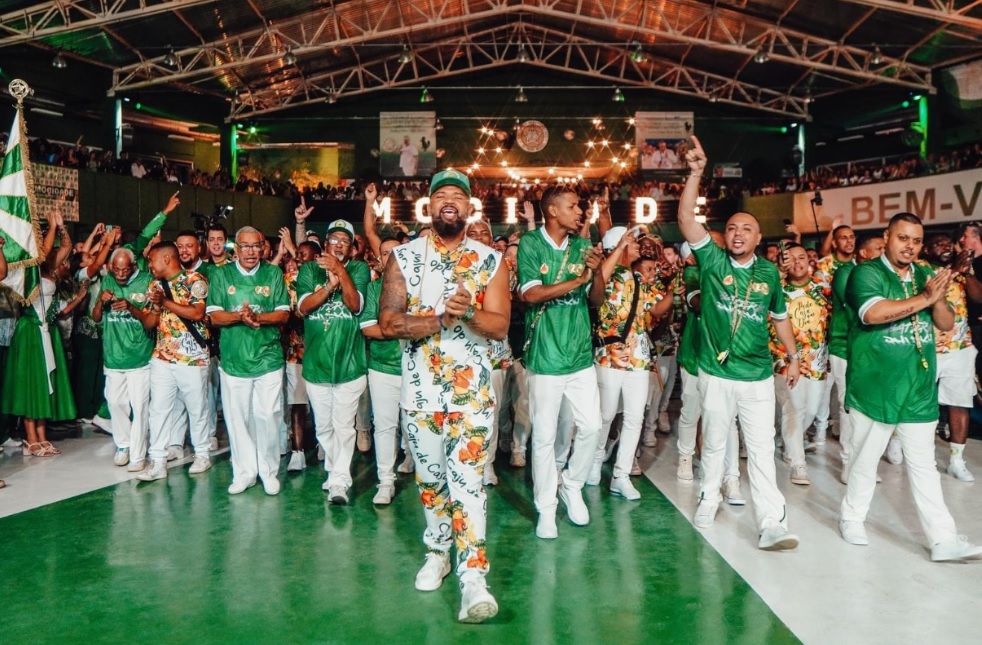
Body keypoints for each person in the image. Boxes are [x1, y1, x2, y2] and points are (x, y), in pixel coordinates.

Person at [379, 168, 509, 623]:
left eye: (458, 195)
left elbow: (500, 325)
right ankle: (437, 552)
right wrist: (441, 320)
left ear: (470, 208)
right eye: (441, 195)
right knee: (431, 485)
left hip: (471, 395)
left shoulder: (490, 260)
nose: (449, 201)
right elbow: (391, 323)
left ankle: (473, 579)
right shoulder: (404, 258)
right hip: (420, 396)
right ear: (429, 207)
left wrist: (469, 311)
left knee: (468, 486)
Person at [678, 136, 802, 551]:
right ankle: (708, 497)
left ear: (758, 236)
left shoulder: (769, 274)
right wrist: (696, 174)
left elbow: (780, 319)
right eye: (731, 228)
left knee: (762, 450)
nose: (737, 233)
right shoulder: (711, 261)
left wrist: (795, 356)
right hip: (715, 371)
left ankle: (771, 523)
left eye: (746, 228)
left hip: (758, 375)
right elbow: (685, 222)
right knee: (714, 441)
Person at [838, 212, 982, 562]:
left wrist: (939, 298)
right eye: (903, 238)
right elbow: (873, 314)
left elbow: (946, 324)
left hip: (918, 383)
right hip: (876, 384)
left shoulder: (924, 274)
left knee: (923, 464)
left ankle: (943, 539)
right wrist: (926, 298)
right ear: (887, 236)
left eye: (916, 241)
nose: (910, 246)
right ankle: (852, 517)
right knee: (865, 458)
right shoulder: (866, 273)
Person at [517, 186, 604, 539]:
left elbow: (595, 301)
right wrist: (577, 280)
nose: (580, 211)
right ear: (552, 211)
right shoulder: (531, 244)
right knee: (544, 437)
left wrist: (595, 275)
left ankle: (571, 483)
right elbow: (530, 294)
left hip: (581, 356)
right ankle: (546, 509)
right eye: (572, 206)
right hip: (546, 358)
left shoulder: (584, 247)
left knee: (592, 427)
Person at [590, 226, 672, 500]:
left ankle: (620, 475)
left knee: (634, 418)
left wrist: (675, 293)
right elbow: (596, 285)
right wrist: (616, 250)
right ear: (619, 246)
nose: (639, 247)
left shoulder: (637, 278)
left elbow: (655, 310)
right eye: (632, 243)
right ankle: (594, 460)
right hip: (608, 357)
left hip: (638, 360)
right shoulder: (605, 274)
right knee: (605, 415)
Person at [206, 227, 290, 495]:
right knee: (237, 419)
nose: (251, 252)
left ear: (264, 247)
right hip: (234, 361)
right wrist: (240, 317)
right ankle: (244, 473)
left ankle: (268, 472)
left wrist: (258, 319)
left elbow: (283, 315)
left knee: (268, 416)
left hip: (268, 359)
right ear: (236, 248)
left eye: (256, 246)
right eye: (245, 246)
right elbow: (214, 317)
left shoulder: (273, 274)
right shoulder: (221, 274)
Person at [297, 219, 370, 505]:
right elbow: (303, 307)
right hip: (316, 365)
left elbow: (355, 305)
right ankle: (334, 469)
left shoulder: (359, 269)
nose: (339, 245)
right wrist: (329, 287)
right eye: (334, 240)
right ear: (324, 245)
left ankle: (339, 481)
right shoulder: (307, 270)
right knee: (324, 428)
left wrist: (340, 272)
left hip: (350, 366)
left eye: (345, 241)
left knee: (343, 426)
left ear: (351, 249)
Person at [137, 242, 213, 482]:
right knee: (158, 409)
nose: (149, 265)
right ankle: (157, 460)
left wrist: (165, 301)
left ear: (167, 258)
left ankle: (202, 453)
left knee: (197, 407)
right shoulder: (154, 285)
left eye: (152, 260)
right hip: (162, 356)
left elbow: (198, 313)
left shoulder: (195, 280)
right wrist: (155, 307)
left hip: (192, 357)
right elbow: (149, 323)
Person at [2, 212, 76, 457]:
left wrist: (61, 226)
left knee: (45, 383)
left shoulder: (50, 268)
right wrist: (51, 228)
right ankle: (29, 437)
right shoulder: (24, 269)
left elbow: (67, 246)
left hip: (47, 330)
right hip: (30, 331)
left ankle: (41, 436)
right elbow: (42, 252)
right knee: (30, 383)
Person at [771, 243, 831, 486]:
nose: (797, 262)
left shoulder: (822, 289)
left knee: (811, 410)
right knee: (793, 408)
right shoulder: (777, 289)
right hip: (784, 358)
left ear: (810, 261)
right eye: (791, 258)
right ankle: (798, 462)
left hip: (816, 360)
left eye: (802, 257)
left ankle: (786, 440)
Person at [91, 246, 155, 471]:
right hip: (113, 356)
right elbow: (96, 317)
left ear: (133, 266)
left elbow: (151, 319)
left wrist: (130, 307)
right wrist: (100, 300)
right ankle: (123, 444)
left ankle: (138, 455)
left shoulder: (147, 281)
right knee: (116, 402)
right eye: (115, 270)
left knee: (140, 406)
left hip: (140, 356)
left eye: (124, 270)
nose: (120, 274)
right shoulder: (108, 281)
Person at [828, 235, 885, 484]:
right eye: (879, 248)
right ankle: (848, 461)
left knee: (868, 405)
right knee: (848, 405)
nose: (884, 252)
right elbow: (859, 308)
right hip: (844, 346)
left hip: (871, 347)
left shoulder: (880, 274)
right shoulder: (845, 272)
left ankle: (866, 462)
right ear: (863, 253)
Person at [921, 234, 977, 482]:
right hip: (926, 347)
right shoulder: (920, 267)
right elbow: (931, 290)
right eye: (938, 244)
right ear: (926, 249)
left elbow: (978, 297)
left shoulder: (962, 270)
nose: (945, 247)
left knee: (960, 402)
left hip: (960, 347)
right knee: (919, 401)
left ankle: (956, 459)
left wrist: (969, 273)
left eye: (948, 244)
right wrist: (955, 270)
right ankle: (900, 445)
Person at [284, 240, 320, 472]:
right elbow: (288, 314)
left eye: (304, 255)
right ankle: (298, 453)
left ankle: (322, 444)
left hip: (319, 352)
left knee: (321, 404)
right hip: (295, 351)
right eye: (297, 254)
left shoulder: (324, 280)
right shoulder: (288, 281)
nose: (298, 259)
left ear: (316, 258)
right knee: (297, 404)